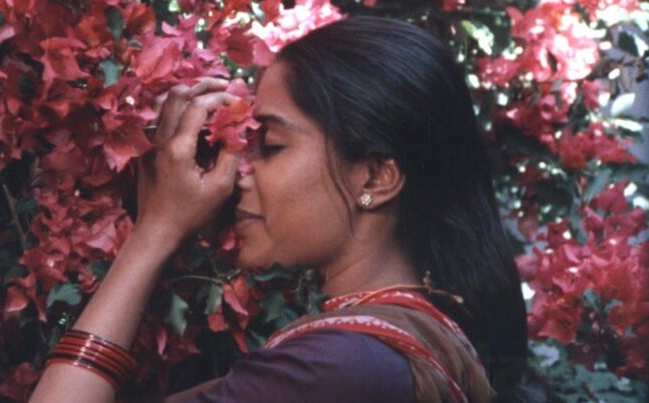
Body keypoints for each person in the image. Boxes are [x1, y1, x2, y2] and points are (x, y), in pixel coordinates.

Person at [29, 16, 528, 403]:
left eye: (269, 145)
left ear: (375, 178)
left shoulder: (343, 367)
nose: (237, 172)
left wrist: (154, 232)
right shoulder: (406, 347)